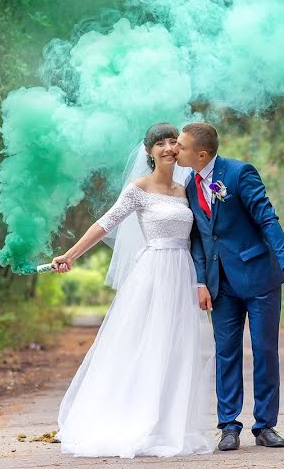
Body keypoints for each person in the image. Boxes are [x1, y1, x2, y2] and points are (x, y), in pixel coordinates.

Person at [50, 123, 215, 458]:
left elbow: (202, 236)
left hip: (182, 273)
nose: (169, 148)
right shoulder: (137, 188)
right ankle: (135, 420)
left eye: (174, 142)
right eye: (161, 144)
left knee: (179, 347)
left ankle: (168, 425)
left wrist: (205, 279)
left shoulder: (187, 189)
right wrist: (70, 254)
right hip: (153, 273)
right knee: (147, 344)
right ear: (150, 152)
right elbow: (105, 223)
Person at [175, 122, 284, 451]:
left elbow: (267, 218)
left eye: (181, 145)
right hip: (221, 285)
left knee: (264, 351)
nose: (175, 150)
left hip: (259, 276)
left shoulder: (239, 174)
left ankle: (265, 426)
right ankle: (228, 425)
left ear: (201, 153)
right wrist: (200, 280)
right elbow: (198, 238)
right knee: (226, 354)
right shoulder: (189, 184)